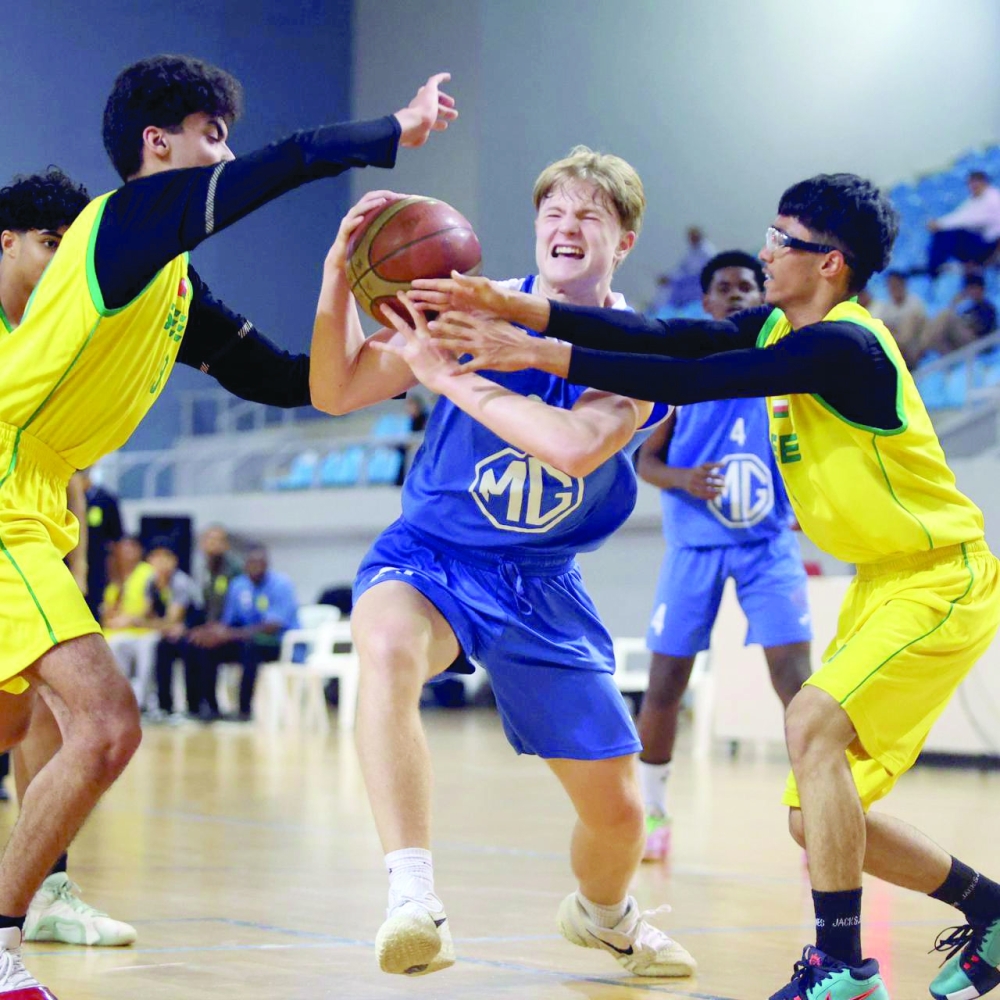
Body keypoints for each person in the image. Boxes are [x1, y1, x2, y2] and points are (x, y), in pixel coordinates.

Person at [414, 172, 1000, 1000]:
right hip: (884, 582)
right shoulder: (773, 321)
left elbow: (695, 382)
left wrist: (538, 352)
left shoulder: (846, 344)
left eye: (780, 240)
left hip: (942, 575)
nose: (763, 252)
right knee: (819, 822)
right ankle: (992, 909)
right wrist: (518, 308)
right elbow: (669, 339)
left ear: (830, 263)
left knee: (812, 721)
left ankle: (842, 965)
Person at [0, 53, 455, 996]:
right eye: (213, 136)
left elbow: (292, 381)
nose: (228, 152)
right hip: (4, 487)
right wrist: (391, 134)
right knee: (106, 724)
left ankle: (38, 901)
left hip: (39, 502)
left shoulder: (171, 287)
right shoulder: (121, 223)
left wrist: (382, 326)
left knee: (17, 726)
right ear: (156, 145)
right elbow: (279, 164)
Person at [311, 146, 695, 981]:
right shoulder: (472, 303)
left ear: (623, 242)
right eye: (553, 212)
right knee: (382, 648)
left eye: (590, 215)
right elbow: (335, 391)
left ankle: (606, 916)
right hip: (432, 557)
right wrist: (342, 274)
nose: (567, 227)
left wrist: (444, 375)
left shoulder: (642, 354)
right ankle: (413, 899)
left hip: (542, 585)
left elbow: (568, 448)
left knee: (620, 817)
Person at [635, 251, 812, 862]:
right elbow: (644, 462)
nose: (736, 294)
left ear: (761, 299)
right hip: (695, 547)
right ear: (707, 303)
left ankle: (820, 807)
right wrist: (685, 480)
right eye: (724, 287)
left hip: (768, 546)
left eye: (748, 286)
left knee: (797, 682)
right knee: (666, 683)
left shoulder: (784, 369)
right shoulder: (684, 375)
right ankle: (652, 806)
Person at [0, 169, 138, 949]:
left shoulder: (64, 330)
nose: (63, 263)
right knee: (92, 715)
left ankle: (47, 891)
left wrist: (75, 579)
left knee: (31, 714)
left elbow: (69, 473)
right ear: (8, 240)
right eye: (51, 244)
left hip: (34, 533)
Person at [186, 545, 299, 721]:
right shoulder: (238, 585)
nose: (256, 567)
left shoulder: (281, 584)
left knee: (250, 647)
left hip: (276, 644)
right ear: (245, 565)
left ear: (267, 564)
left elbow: (272, 626)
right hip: (245, 640)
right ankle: (210, 707)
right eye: (252, 563)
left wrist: (230, 634)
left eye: (260, 563)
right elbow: (229, 622)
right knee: (207, 646)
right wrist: (211, 632)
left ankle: (244, 710)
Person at [155, 524, 242, 719]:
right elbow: (197, 606)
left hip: (229, 630)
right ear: (202, 544)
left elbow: (235, 606)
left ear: (226, 545)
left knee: (202, 646)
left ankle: (209, 705)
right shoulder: (199, 569)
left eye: (218, 540)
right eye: (209, 540)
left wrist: (217, 629)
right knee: (168, 645)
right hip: (202, 626)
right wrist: (188, 628)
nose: (213, 545)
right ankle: (173, 707)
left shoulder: (235, 571)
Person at [140, 539, 202, 721]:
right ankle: (164, 706)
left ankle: (193, 707)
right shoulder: (151, 583)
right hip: (170, 632)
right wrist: (149, 622)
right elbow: (147, 615)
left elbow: (173, 619)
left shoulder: (180, 582)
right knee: (161, 648)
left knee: (187, 646)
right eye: (155, 558)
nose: (160, 563)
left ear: (174, 560)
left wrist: (148, 623)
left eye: (165, 558)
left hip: (194, 627)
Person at [102, 538, 159, 710]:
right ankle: (119, 700)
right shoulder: (115, 577)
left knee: (148, 651)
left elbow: (150, 605)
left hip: (145, 629)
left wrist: (130, 619)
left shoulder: (148, 572)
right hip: (120, 632)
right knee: (113, 645)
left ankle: (144, 702)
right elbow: (108, 612)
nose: (127, 553)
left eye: (131, 548)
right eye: (123, 549)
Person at [926, 170, 1000, 278]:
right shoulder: (973, 200)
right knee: (941, 234)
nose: (972, 186)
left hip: (990, 244)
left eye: (975, 183)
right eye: (970, 184)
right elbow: (958, 215)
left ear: (984, 182)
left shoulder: (993, 198)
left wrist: (940, 224)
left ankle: (934, 269)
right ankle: (935, 268)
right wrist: (938, 224)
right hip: (979, 241)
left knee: (950, 234)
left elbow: (973, 220)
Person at [919, 271, 999, 361]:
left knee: (946, 315)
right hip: (963, 342)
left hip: (980, 343)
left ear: (981, 289)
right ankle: (948, 360)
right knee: (937, 334)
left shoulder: (988, 307)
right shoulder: (969, 308)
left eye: (975, 288)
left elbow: (982, 327)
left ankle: (921, 347)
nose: (972, 292)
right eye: (970, 289)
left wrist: (964, 321)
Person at [868, 270, 927, 368]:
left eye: (896, 285)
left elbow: (916, 331)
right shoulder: (887, 308)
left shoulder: (914, 302)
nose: (894, 289)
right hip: (896, 349)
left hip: (915, 348)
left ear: (903, 284)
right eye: (891, 286)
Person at [661, 225, 717, 308]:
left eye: (693, 236)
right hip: (687, 286)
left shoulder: (707, 252)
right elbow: (682, 268)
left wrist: (675, 280)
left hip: (698, 289)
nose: (691, 239)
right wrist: (669, 277)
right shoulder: (692, 252)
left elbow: (699, 275)